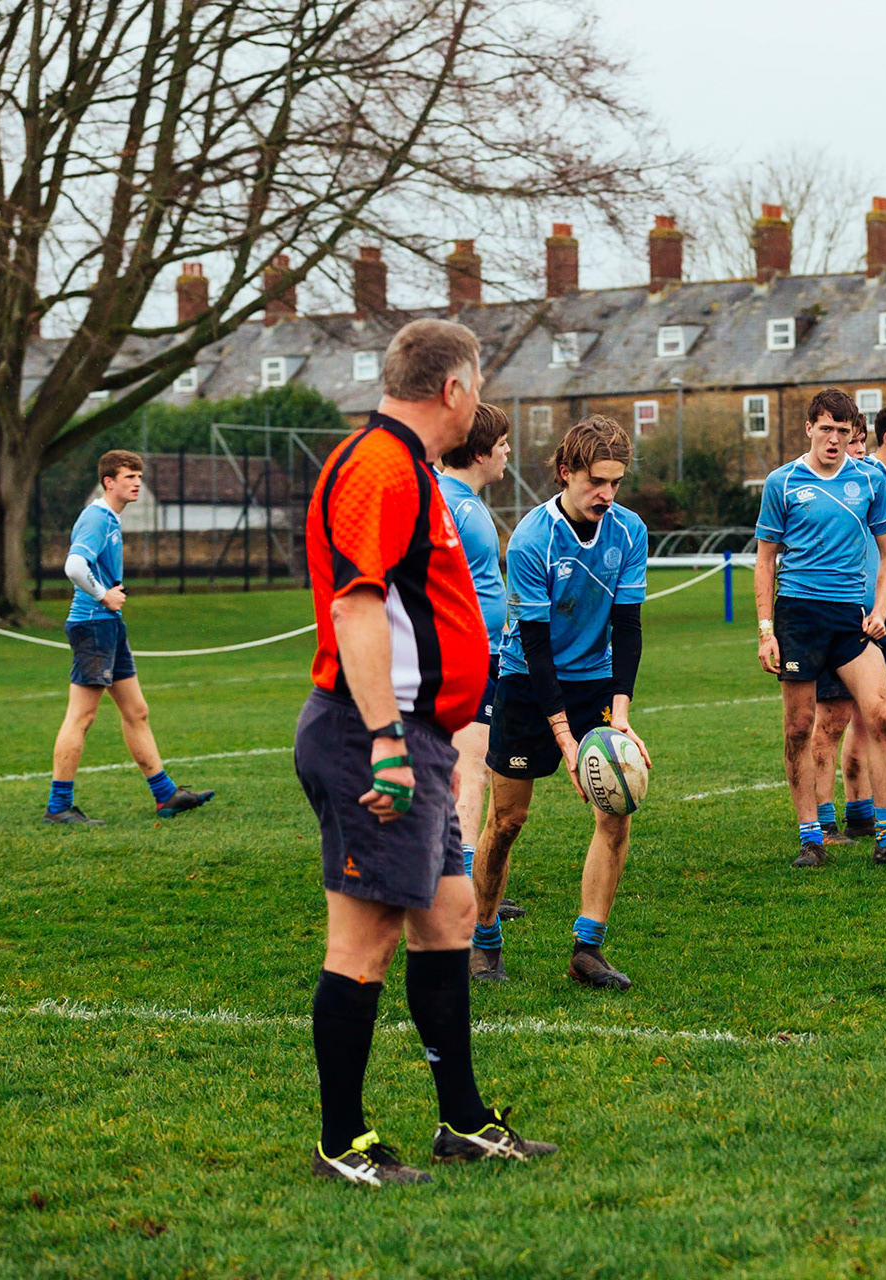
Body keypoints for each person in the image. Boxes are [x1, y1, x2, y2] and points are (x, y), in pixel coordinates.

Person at [295, 319, 554, 1186]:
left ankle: (463, 1123)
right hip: (376, 735)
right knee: (362, 942)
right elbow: (356, 607)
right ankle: (342, 1144)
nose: (480, 403)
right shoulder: (378, 467)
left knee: (446, 918)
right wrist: (384, 742)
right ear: (453, 390)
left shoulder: (408, 468)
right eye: (479, 387)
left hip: (420, 737)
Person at [470, 415, 651, 991]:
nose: (607, 494)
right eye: (597, 481)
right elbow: (536, 644)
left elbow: (628, 627)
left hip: (595, 684)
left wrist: (620, 715)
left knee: (616, 810)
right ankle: (483, 937)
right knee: (507, 821)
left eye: (616, 482)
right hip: (528, 683)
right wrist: (565, 738)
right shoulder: (531, 539)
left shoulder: (629, 532)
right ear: (566, 472)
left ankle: (587, 948)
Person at [755, 387, 886, 869]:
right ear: (809, 428)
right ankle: (811, 838)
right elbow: (765, 561)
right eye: (825, 429)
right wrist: (767, 630)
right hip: (798, 616)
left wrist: (880, 609)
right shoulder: (782, 482)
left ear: (854, 433)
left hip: (851, 617)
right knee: (799, 728)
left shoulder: (869, 480)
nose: (833, 439)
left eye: (843, 431)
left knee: (882, 714)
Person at [42, 450, 216, 825]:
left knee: (136, 711)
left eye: (139, 476)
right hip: (93, 624)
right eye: (129, 477)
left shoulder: (110, 518)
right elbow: (74, 565)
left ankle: (166, 796)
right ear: (109, 482)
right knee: (81, 716)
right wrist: (103, 594)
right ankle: (58, 807)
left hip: (108, 625)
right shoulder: (97, 518)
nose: (137, 483)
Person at [434, 403, 525, 956]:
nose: (508, 452)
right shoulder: (460, 508)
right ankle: (466, 882)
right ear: (480, 450)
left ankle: (464, 873)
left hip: (478, 651)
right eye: (503, 443)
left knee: (471, 766)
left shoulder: (451, 498)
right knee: (472, 766)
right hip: (470, 655)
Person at [811, 412, 886, 846]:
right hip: (833, 615)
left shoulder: (875, 487)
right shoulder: (828, 493)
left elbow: (884, 561)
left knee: (878, 712)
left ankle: (864, 814)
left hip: (874, 611)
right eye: (848, 441)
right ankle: (822, 823)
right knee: (830, 719)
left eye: (858, 441)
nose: (857, 450)